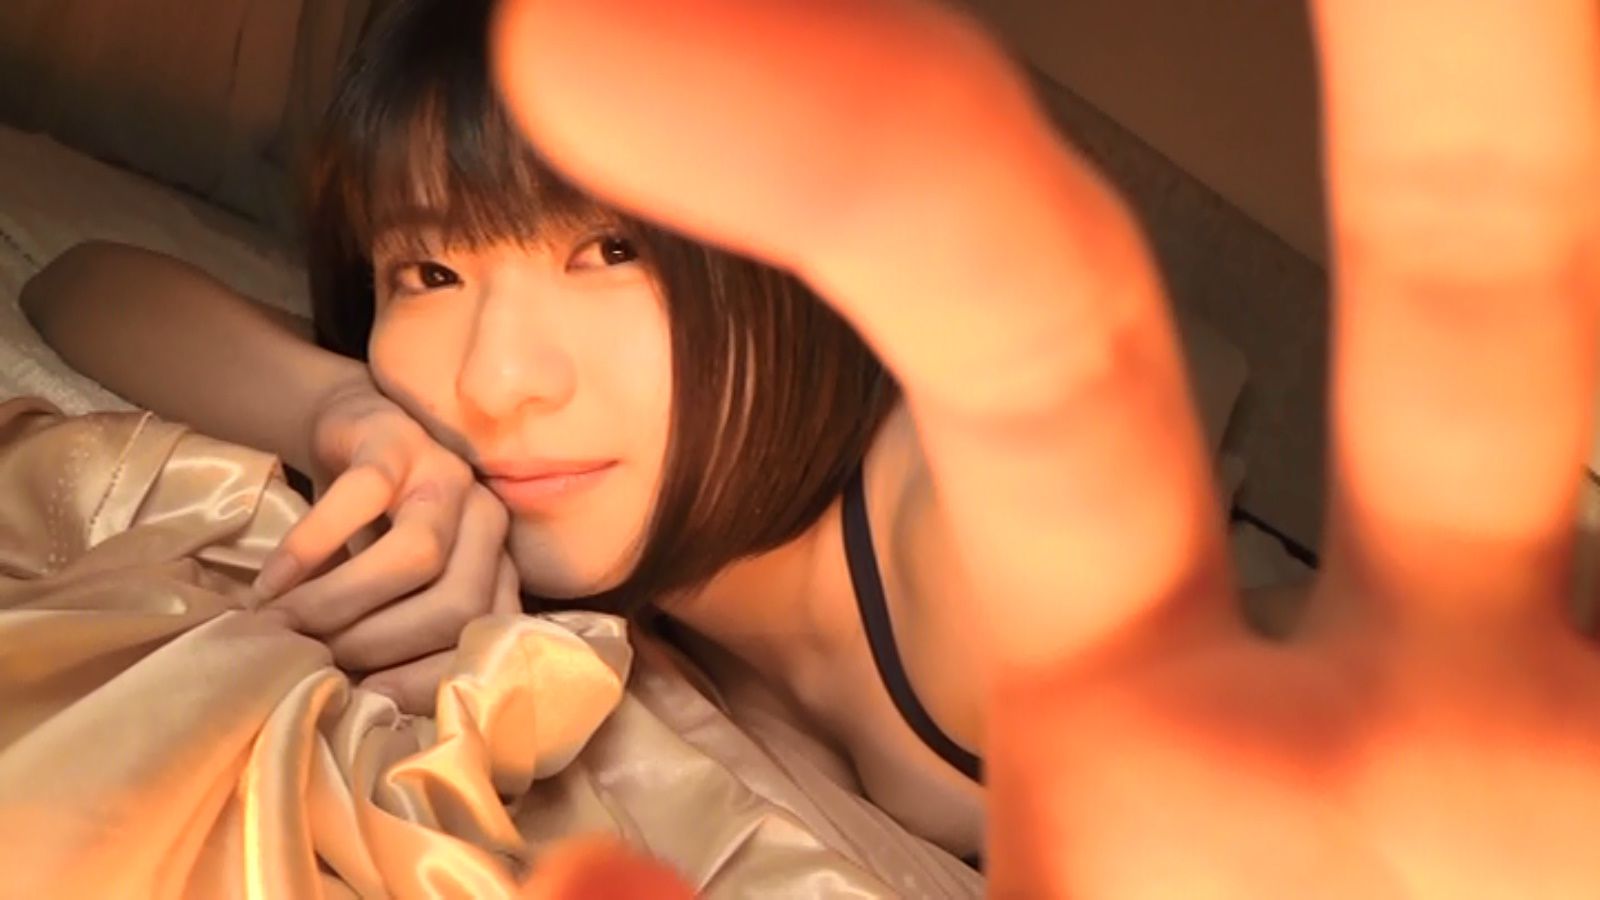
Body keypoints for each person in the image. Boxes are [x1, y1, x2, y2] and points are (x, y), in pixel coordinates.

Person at [31, 0, 1600, 893]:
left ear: (769, 271)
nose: (498, 382)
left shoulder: (950, 540)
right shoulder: (433, 406)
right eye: (429, 271)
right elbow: (80, 285)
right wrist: (345, 414)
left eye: (609, 253)